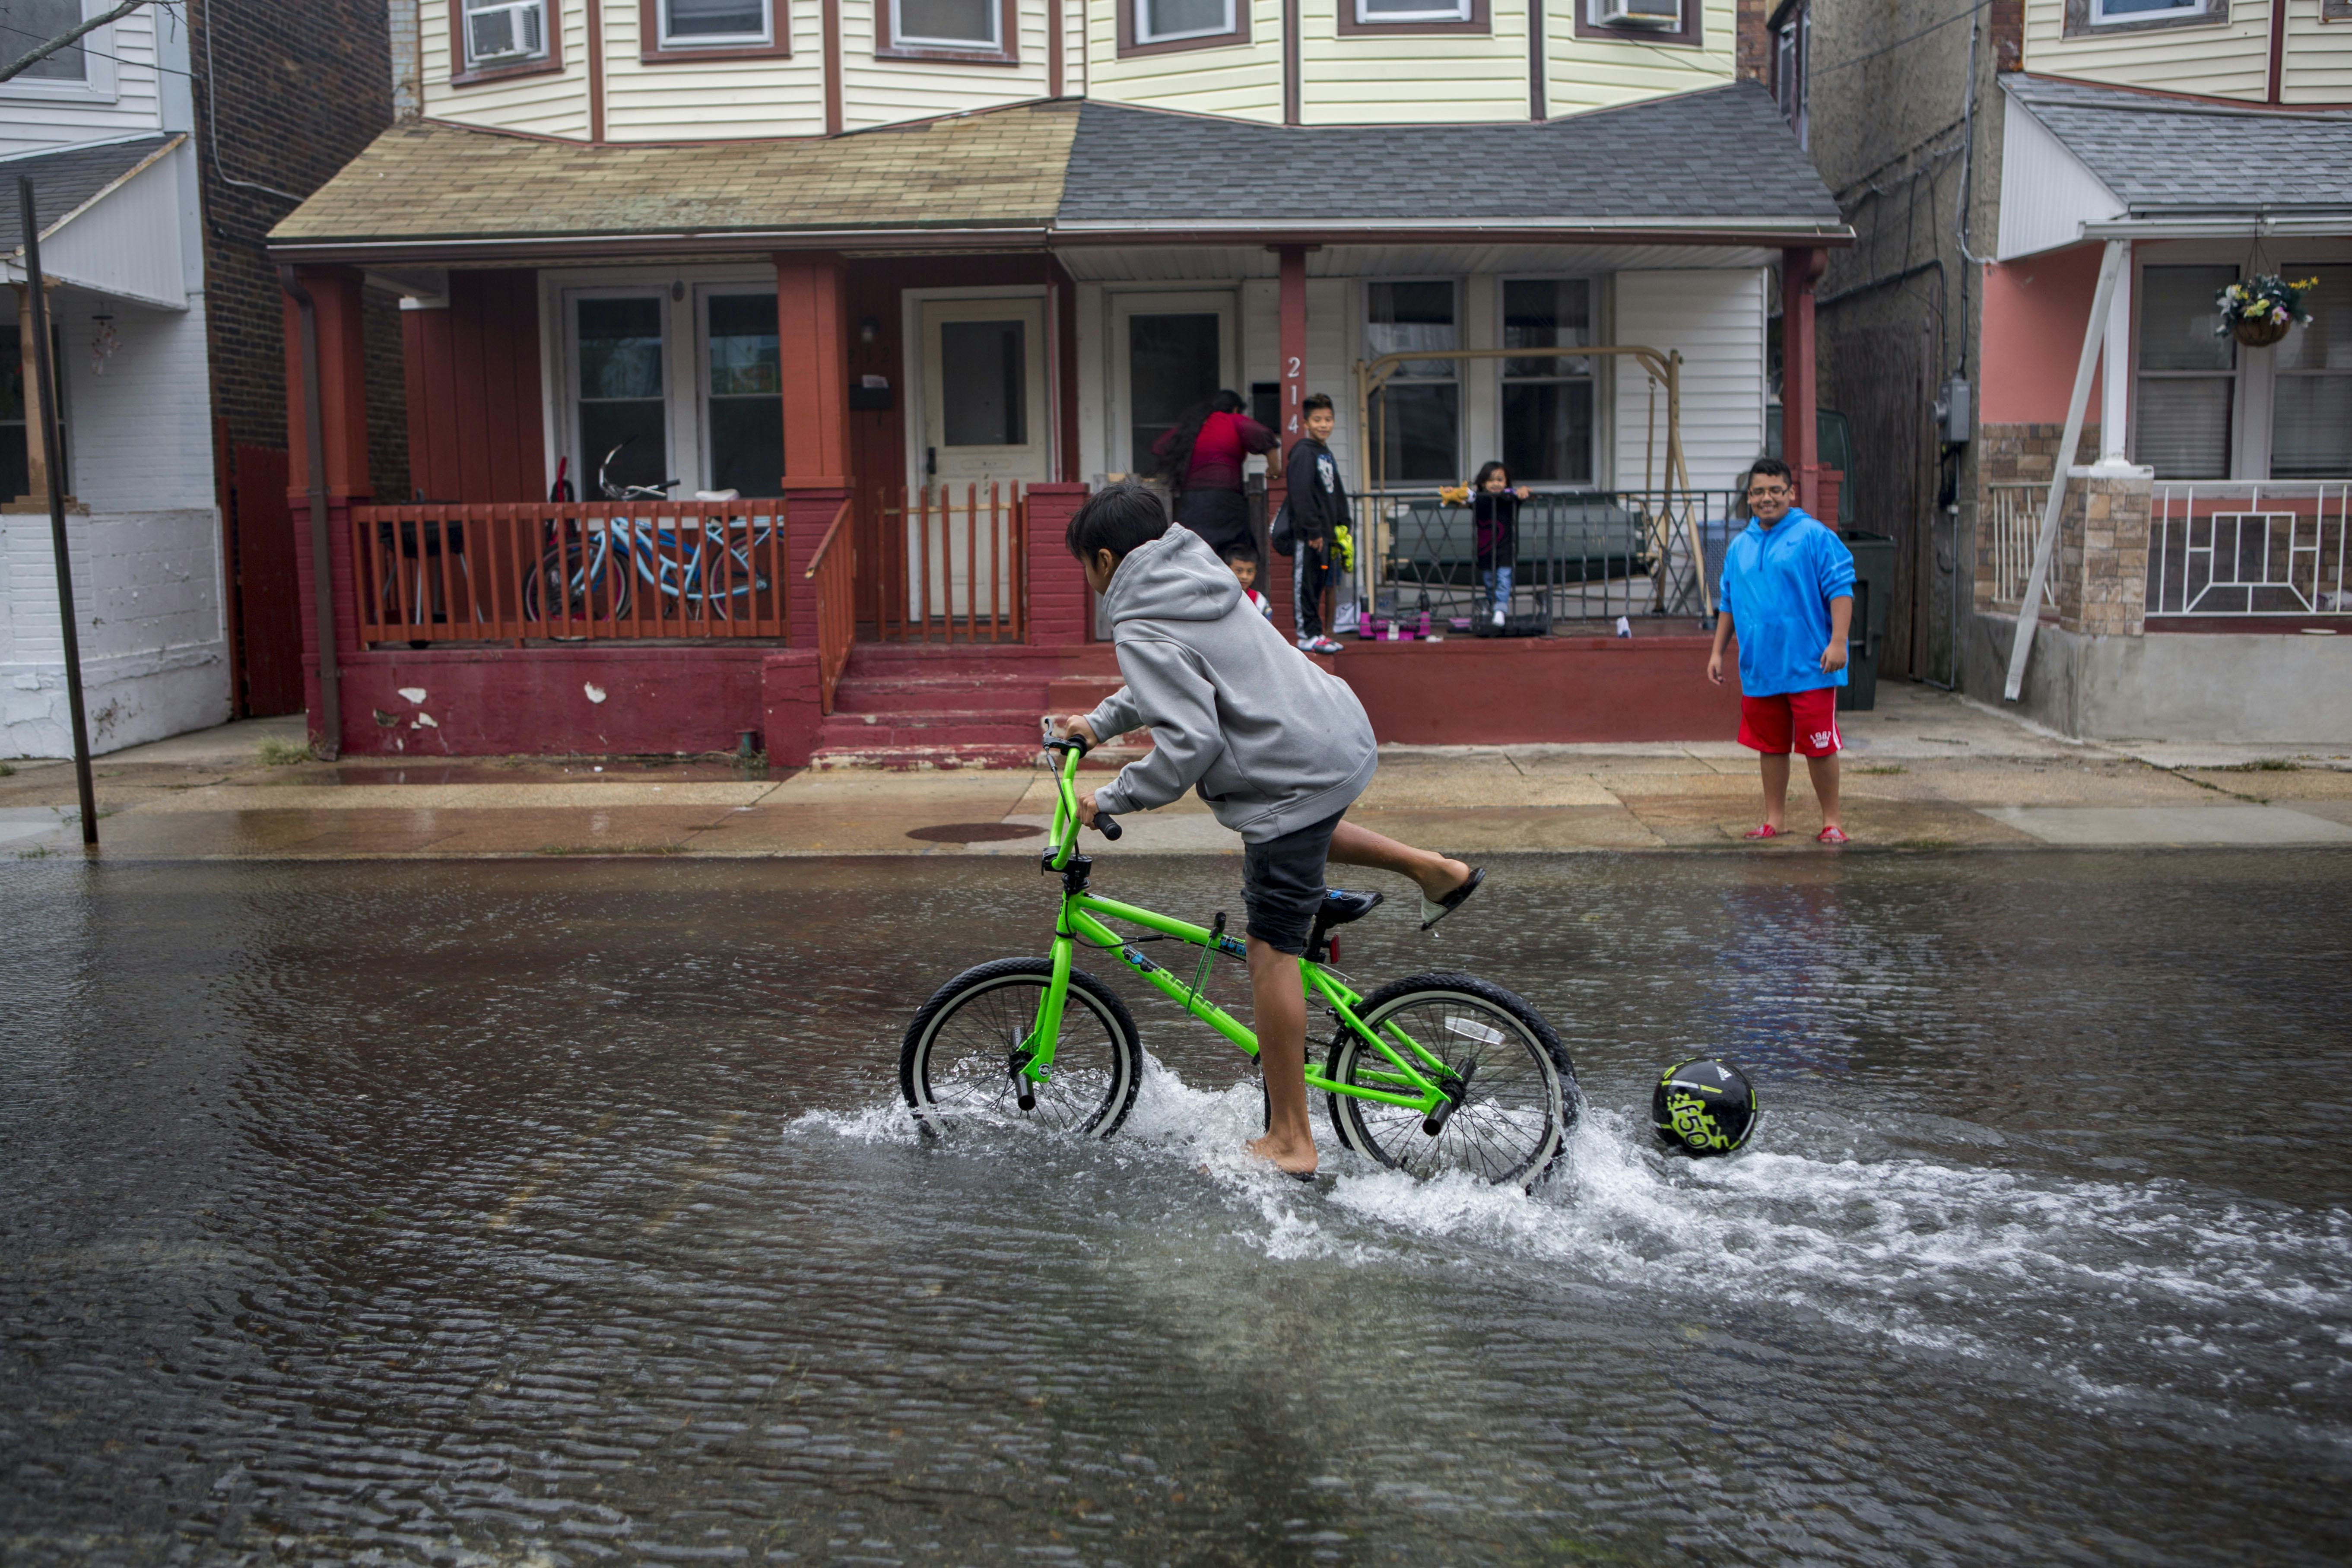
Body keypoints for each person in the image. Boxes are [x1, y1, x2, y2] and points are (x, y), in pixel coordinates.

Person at [1057, 484, 1485, 1178]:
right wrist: (1100, 722)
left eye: (1085, 566)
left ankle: (1291, 1138)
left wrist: (1112, 795)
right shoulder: (1195, 574)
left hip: (1291, 768)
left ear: (1104, 560)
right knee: (1295, 830)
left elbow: (1188, 739)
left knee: (1269, 954)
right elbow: (1182, 679)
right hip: (1333, 735)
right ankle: (1436, 871)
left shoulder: (1139, 620)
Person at [1706, 457, 1855, 844]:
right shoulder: (1739, 546)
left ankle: (1832, 822)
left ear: (1791, 493)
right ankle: (1775, 819)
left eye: (1775, 490)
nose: (1766, 498)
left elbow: (1841, 587)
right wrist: (1717, 652)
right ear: (1749, 498)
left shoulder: (1813, 535)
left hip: (1810, 665)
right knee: (1769, 746)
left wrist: (1838, 641)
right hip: (1760, 667)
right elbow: (1728, 603)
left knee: (1819, 746)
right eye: (1758, 492)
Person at [1152, 389, 1279, 563]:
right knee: (1232, 554)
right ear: (1235, 409)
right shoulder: (1233, 420)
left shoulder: (1193, 426)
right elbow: (1266, 437)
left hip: (1191, 503)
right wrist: (1274, 471)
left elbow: (1160, 447)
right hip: (1225, 500)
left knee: (1194, 555)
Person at [1282, 393, 1349, 656]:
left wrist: (1344, 524)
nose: (1324, 425)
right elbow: (1301, 493)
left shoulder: (1325, 453)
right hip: (1309, 536)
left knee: (1319, 584)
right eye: (1318, 420)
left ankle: (1317, 632)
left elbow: (1335, 493)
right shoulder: (1303, 452)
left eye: (1329, 419)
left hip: (1326, 536)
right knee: (1306, 583)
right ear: (1306, 423)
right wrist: (1312, 530)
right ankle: (1306, 636)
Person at [1469, 461, 1530, 631]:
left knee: (1503, 580)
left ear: (1506, 482)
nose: (1496, 484)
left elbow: (1527, 495)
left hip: (1506, 549)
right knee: (1490, 583)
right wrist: (1453, 493)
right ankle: (1493, 607)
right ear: (1482, 483)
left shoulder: (1510, 499)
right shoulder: (1478, 499)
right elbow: (1462, 499)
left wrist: (1524, 490)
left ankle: (1500, 610)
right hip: (1485, 550)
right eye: (1490, 480)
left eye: (1500, 480)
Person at [1224, 542, 1273, 620]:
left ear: (1255, 573)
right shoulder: (1220, 598)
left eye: (1250, 572)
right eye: (1239, 571)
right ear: (1227, 570)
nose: (1244, 577)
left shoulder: (1259, 601)